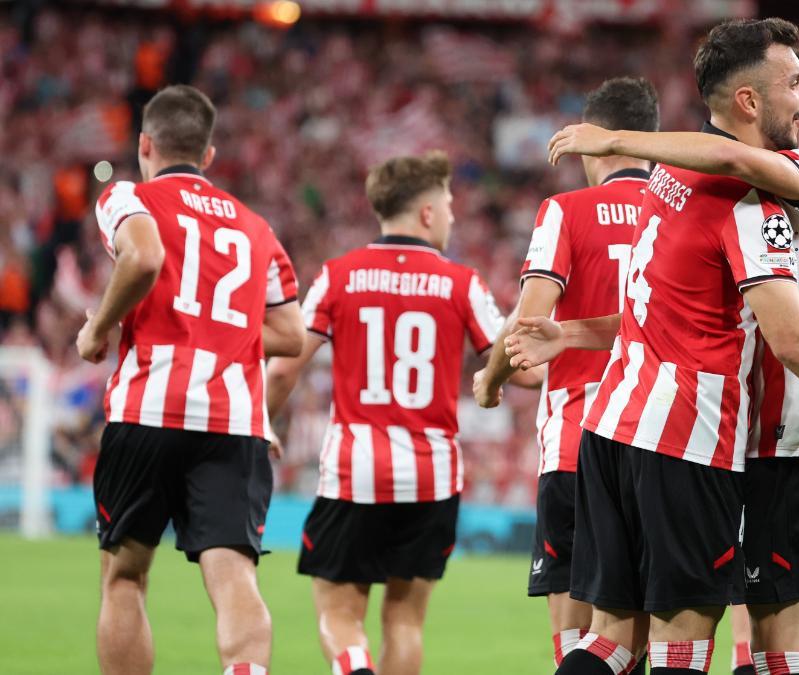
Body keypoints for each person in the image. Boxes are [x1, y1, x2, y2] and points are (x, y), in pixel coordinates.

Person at [508, 18, 799, 675]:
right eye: (794, 80)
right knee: (718, 650)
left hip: (608, 426)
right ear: (750, 102)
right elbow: (792, 334)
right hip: (691, 436)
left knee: (607, 642)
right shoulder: (752, 202)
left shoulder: (665, 180)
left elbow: (660, 301)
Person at [264, 151, 531, 675]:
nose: (453, 215)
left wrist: (262, 422)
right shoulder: (461, 283)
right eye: (449, 204)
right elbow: (525, 371)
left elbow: (281, 370)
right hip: (431, 472)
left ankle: (354, 666)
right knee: (405, 621)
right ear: (427, 212)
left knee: (339, 612)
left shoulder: (339, 276)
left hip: (355, 470)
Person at [78, 84, 304, 675]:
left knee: (125, 576)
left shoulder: (128, 196)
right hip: (233, 418)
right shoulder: (257, 229)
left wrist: (98, 328)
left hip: (148, 407)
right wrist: (216, 324)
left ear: (145, 144)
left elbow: (144, 256)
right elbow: (290, 334)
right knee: (233, 573)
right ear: (207, 155)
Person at [472, 76, 660, 672]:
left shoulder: (565, 211)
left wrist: (492, 379)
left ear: (589, 145)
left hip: (580, 442)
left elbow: (529, 327)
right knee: (646, 638)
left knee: (578, 642)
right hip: (666, 441)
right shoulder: (681, 210)